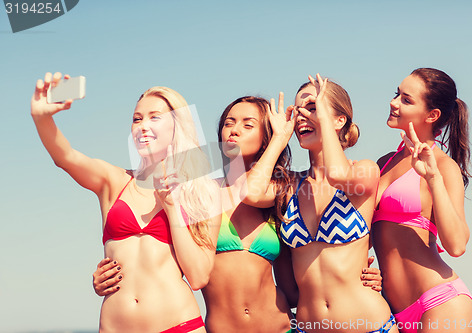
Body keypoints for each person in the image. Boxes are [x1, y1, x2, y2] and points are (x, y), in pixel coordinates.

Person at [93, 95, 384, 333]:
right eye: (229, 122)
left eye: (248, 124)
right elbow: (157, 251)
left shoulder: (280, 195)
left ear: (266, 134)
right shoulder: (197, 193)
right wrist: (111, 278)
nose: (234, 129)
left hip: (282, 326)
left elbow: (295, 284)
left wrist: (358, 273)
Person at [31, 72, 221, 333]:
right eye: (136, 119)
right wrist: (42, 118)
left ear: (177, 125)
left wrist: (172, 207)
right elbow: (65, 157)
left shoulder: (203, 191)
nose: (142, 125)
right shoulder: (113, 180)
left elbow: (199, 276)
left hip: (179, 325)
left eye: (155, 117)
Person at [242, 74, 398, 333]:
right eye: (298, 110)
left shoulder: (365, 171)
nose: (302, 115)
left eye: (313, 107)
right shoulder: (290, 184)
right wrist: (280, 138)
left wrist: (324, 120)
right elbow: (250, 192)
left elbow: (337, 176)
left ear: (339, 120)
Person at [372, 68, 472, 333]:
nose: (394, 103)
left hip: (441, 303)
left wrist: (432, 178)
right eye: (397, 94)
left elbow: (456, 245)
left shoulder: (443, 166)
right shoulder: (382, 164)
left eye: (406, 99)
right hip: (391, 313)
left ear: (432, 115)